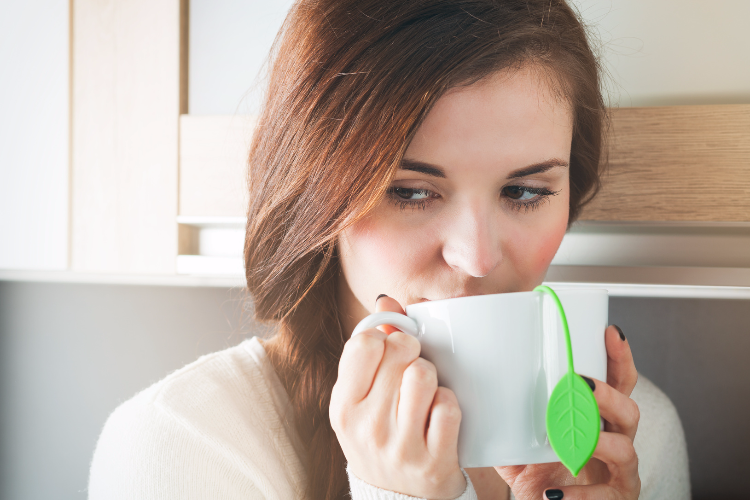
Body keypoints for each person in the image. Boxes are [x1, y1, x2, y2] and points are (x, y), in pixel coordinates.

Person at [88, 1, 690, 499]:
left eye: (526, 192)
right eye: (409, 192)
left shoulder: (634, 438)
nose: (476, 257)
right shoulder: (185, 443)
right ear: (317, 195)